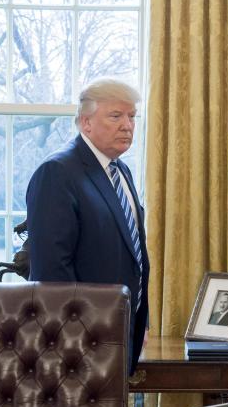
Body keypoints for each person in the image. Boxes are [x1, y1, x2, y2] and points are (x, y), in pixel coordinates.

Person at [26, 78, 149, 374]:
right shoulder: (57, 172)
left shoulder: (121, 171)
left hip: (119, 331)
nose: (127, 125)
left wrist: (137, 321)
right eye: (115, 116)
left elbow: (131, 255)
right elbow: (51, 272)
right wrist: (76, 339)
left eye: (132, 116)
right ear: (86, 122)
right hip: (78, 344)